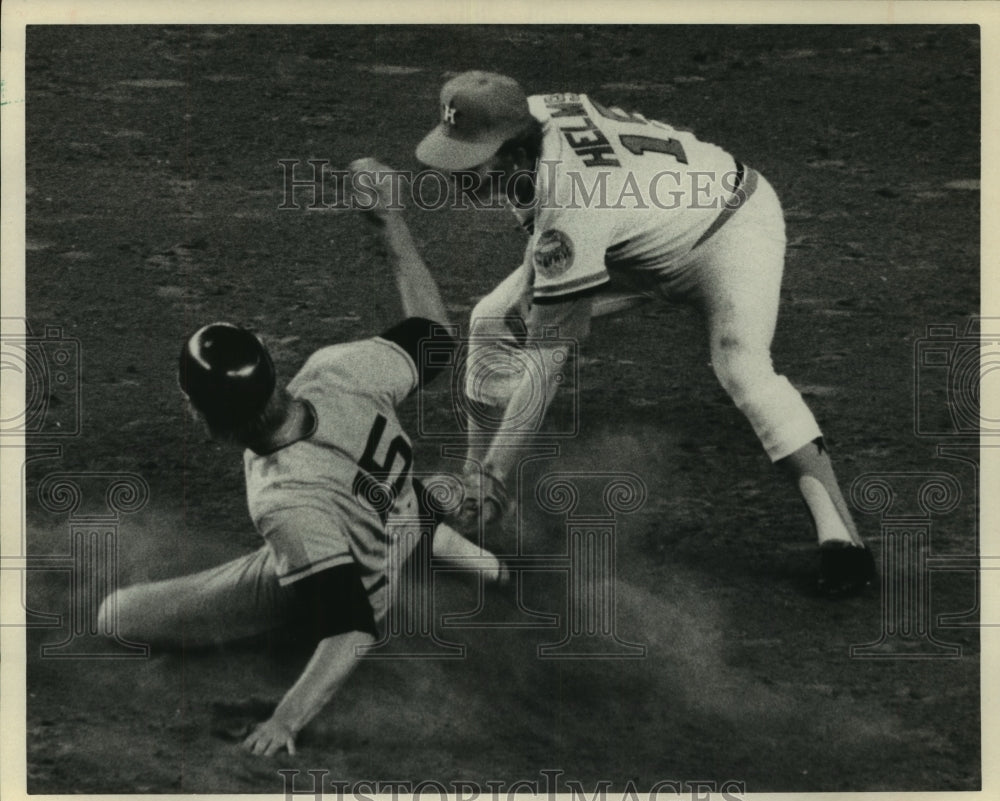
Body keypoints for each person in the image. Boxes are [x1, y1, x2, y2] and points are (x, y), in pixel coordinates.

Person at [98, 158, 507, 757]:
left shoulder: (285, 501)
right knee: (378, 510)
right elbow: (433, 337)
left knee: (117, 616)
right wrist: (390, 218)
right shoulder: (337, 369)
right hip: (401, 514)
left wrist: (285, 722)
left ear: (206, 421)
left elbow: (351, 628)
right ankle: (456, 550)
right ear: (271, 361)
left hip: (363, 576)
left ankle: (415, 549)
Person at [414, 70, 876, 597]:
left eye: (471, 165)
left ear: (515, 152)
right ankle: (479, 506)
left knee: (741, 363)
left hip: (730, 229)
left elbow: (548, 362)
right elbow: (551, 219)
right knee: (492, 321)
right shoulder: (526, 116)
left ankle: (845, 541)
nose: (457, 177)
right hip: (639, 235)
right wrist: (529, 287)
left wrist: (498, 472)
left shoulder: (573, 200)